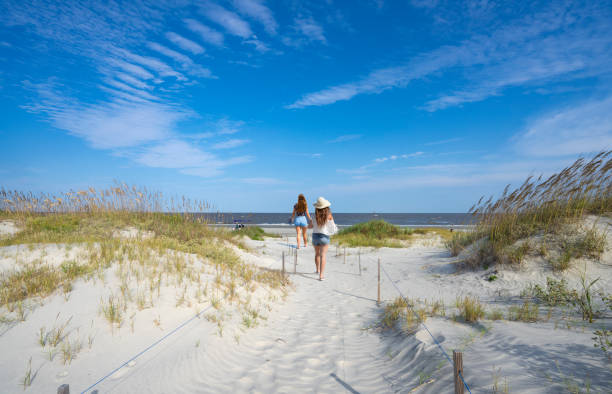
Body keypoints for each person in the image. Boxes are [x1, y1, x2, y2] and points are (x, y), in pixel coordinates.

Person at [308, 197, 338, 281]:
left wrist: (311, 224)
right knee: (323, 255)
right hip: (324, 237)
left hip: (315, 236)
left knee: (317, 254)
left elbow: (310, 226)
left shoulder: (314, 216)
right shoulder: (329, 216)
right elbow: (333, 228)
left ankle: (317, 270)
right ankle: (321, 275)